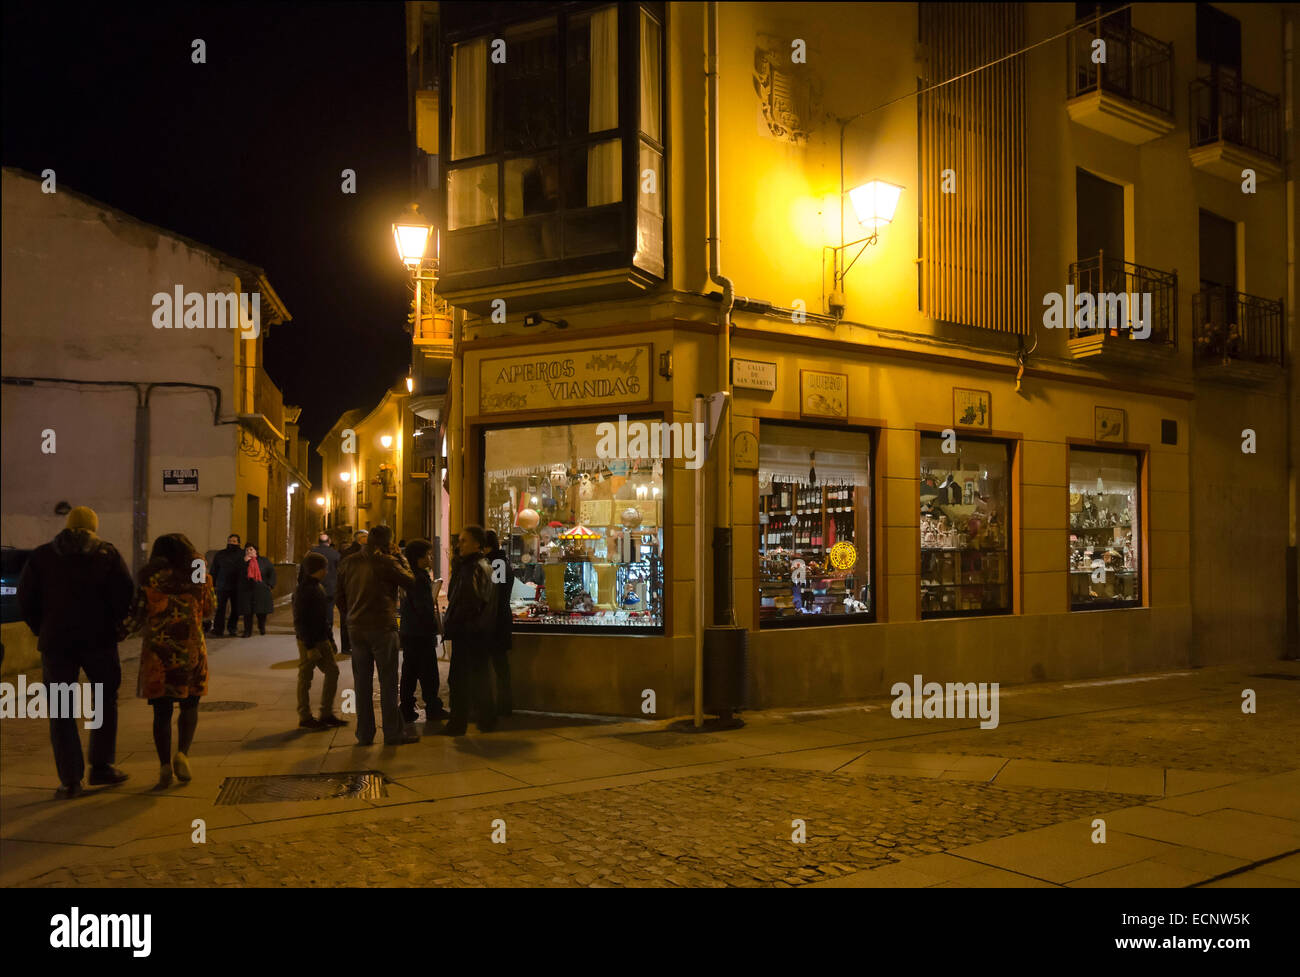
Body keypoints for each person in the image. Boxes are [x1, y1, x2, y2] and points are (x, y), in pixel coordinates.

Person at [17, 506, 134, 799]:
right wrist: (114, 623)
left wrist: (41, 627)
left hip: (56, 641)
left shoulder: (42, 555)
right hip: (99, 640)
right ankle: (102, 765)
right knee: (105, 701)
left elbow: (26, 598)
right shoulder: (106, 554)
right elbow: (125, 595)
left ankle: (70, 779)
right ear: (94, 527)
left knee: (61, 709)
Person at [128, 533, 215, 791]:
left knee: (161, 712)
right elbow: (210, 607)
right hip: (191, 649)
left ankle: (164, 765)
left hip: (158, 653)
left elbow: (138, 613)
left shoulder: (149, 578)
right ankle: (183, 754)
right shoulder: (198, 574)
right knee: (190, 706)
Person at [337, 525, 418, 746]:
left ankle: (364, 734)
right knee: (388, 682)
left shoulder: (348, 562)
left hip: (356, 627)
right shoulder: (387, 561)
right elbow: (410, 580)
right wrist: (400, 555)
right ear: (387, 542)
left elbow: (339, 596)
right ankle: (392, 732)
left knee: (361, 682)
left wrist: (352, 615)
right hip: (382, 626)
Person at [440, 525, 498, 736]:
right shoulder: (482, 565)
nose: (459, 545)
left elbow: (469, 601)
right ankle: (486, 718)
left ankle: (458, 723)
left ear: (476, 544)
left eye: (464, 541)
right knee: (479, 675)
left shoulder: (472, 567)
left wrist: (456, 623)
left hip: (468, 631)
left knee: (459, 679)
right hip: (478, 630)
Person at [293, 552, 347, 731]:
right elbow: (301, 620)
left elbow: (323, 618)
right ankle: (305, 716)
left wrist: (330, 639)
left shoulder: (318, 587)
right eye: (324, 567)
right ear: (316, 569)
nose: (327, 570)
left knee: (333, 671)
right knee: (305, 677)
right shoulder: (304, 591)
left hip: (322, 639)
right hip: (310, 641)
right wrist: (309, 646)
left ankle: (326, 713)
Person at [399, 539, 446, 731]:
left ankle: (407, 708)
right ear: (418, 558)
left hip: (411, 630)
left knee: (410, 670)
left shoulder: (409, 575)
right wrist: (432, 626)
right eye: (427, 554)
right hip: (420, 631)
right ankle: (432, 706)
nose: (430, 557)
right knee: (427, 671)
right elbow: (423, 607)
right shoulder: (419, 578)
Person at [483, 530, 515, 718]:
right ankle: (503, 705)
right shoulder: (499, 562)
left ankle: (503, 705)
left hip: (496, 620)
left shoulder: (497, 563)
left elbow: (496, 593)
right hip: (499, 618)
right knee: (499, 665)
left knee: (499, 665)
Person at [336, 530, 368, 655]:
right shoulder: (355, 553)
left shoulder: (347, 553)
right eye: (366, 536)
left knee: (348, 619)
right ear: (360, 539)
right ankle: (350, 646)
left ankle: (349, 646)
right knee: (348, 620)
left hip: (349, 590)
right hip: (352, 590)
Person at [237, 543, 275, 637]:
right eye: (247, 550)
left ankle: (261, 626)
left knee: (262, 612)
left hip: (261, 590)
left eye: (251, 549)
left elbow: (272, 573)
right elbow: (238, 574)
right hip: (247, 590)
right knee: (247, 612)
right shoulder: (242, 561)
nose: (249, 551)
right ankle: (247, 631)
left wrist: (270, 585)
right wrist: (244, 563)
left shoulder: (264, 561)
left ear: (256, 551)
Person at [210, 533, 243, 637]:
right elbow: (214, 570)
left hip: (237, 586)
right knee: (220, 609)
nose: (231, 543)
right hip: (222, 585)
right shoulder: (220, 554)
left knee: (236, 609)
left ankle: (232, 628)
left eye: (234, 541)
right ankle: (218, 629)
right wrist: (212, 583)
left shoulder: (243, 555)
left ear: (238, 543)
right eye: (230, 541)